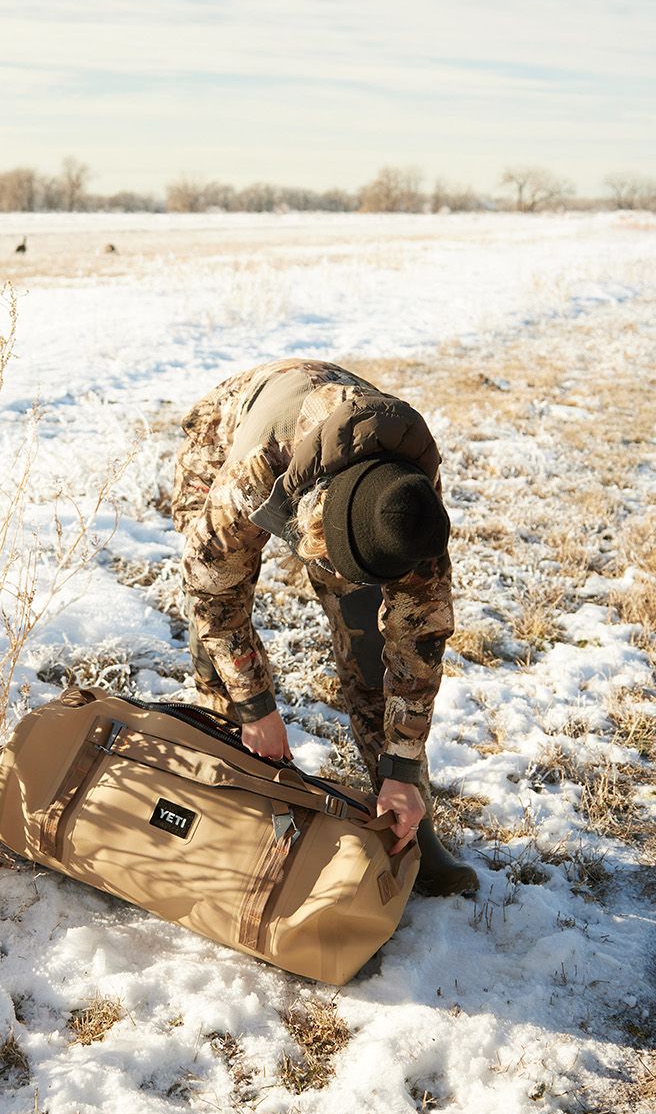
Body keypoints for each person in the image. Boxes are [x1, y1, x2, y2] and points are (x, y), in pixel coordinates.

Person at [171, 357, 477, 897]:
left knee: (368, 643)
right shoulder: (252, 474)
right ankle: (224, 790)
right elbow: (213, 594)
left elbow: (418, 644)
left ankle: (409, 819)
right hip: (231, 435)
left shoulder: (410, 511)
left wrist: (402, 766)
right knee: (218, 612)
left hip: (345, 479)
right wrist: (256, 708)